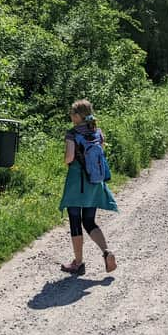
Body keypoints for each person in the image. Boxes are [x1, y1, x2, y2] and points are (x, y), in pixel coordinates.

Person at [58, 99, 118, 275]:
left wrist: (67, 157)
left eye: (71, 113)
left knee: (76, 221)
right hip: (94, 182)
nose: (70, 116)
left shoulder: (72, 133)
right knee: (89, 221)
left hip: (77, 183)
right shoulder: (97, 132)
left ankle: (78, 263)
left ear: (77, 116)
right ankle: (107, 252)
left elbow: (69, 158)